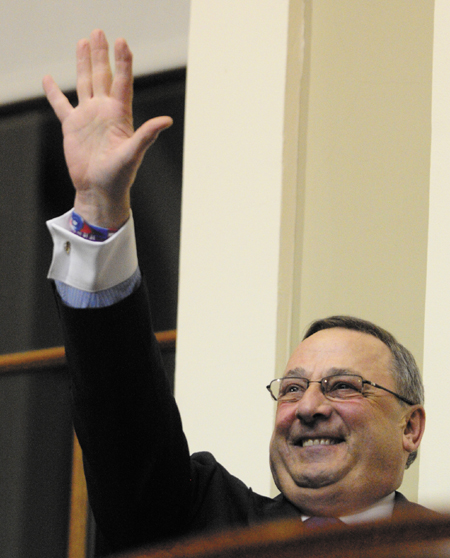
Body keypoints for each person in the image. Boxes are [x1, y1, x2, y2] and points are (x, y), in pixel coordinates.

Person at [44, 30, 437, 555]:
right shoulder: (200, 518)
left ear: (410, 426)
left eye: (343, 385)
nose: (308, 406)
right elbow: (124, 415)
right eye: (292, 388)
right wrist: (98, 208)